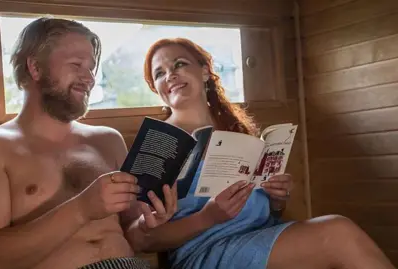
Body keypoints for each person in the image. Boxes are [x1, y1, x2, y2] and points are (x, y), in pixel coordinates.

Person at [138, 37, 396, 269]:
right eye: (159, 73)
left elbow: (271, 213)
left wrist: (276, 199)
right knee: (338, 233)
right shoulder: (160, 143)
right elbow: (144, 239)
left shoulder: (236, 131)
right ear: (156, 88)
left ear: (205, 71)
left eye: (179, 64)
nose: (170, 75)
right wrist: (208, 217)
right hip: (206, 251)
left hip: (264, 235)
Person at [0, 17, 178, 269]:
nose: (89, 78)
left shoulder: (108, 140)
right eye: (76, 65)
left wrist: (147, 225)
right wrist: (82, 209)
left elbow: (133, 236)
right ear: (35, 67)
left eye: (92, 68)